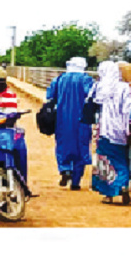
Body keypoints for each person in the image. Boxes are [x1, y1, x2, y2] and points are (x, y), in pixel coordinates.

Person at [91, 61, 131, 205]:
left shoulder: (99, 88)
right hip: (120, 130)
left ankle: (109, 194)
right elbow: (130, 107)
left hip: (104, 130)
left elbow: (90, 106)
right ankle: (123, 185)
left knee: (105, 161)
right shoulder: (124, 88)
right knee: (121, 159)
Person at [46, 56, 94, 190]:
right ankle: (76, 182)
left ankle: (65, 169)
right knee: (81, 147)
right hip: (81, 120)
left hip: (62, 119)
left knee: (62, 145)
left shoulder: (60, 79)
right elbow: (91, 96)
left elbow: (50, 96)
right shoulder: (86, 79)